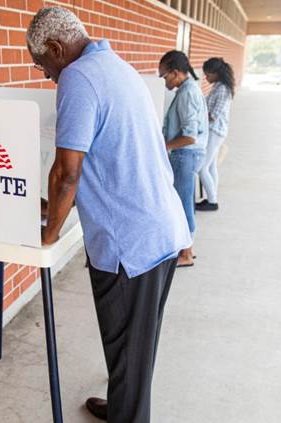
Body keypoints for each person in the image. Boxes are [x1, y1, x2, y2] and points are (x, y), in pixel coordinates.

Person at [27, 7, 191, 423]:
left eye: (42, 64)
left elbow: (67, 173)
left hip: (129, 246)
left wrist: (47, 236)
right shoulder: (116, 67)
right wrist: (56, 205)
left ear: (56, 48)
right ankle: (124, 404)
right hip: (162, 230)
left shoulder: (77, 78)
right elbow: (106, 158)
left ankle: (129, 412)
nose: (45, 74)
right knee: (137, 349)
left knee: (127, 350)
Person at [159, 50, 209, 268]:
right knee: (181, 201)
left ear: (176, 73)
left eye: (164, 76)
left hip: (185, 155)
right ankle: (185, 248)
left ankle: (186, 253)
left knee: (182, 203)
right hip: (187, 155)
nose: (164, 81)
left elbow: (189, 135)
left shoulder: (187, 93)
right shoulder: (188, 89)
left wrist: (164, 147)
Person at [195, 57, 235, 212]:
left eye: (208, 75)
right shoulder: (218, 86)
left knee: (201, 167)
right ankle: (212, 197)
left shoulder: (223, 90)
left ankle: (212, 201)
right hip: (215, 131)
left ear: (216, 73)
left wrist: (197, 119)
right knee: (211, 166)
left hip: (215, 131)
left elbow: (214, 115)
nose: (206, 78)